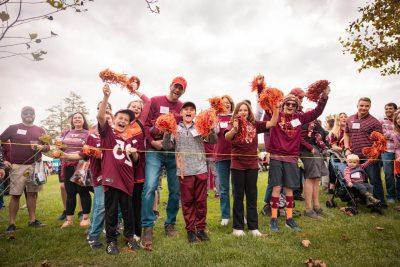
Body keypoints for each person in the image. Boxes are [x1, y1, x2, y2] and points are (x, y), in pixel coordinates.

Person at [268, 87, 330, 232]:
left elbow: (317, 112)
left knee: (289, 189)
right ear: (283, 105)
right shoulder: (276, 115)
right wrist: (259, 88)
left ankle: (289, 219)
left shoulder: (299, 118)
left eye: (293, 105)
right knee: (276, 188)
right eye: (287, 104)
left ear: (297, 107)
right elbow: (265, 103)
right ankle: (274, 219)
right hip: (276, 157)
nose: (290, 106)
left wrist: (324, 96)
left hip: (291, 158)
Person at [141, 77, 187, 251]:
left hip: (173, 152)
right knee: (150, 187)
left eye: (180, 88)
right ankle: (147, 226)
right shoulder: (155, 101)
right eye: (175, 86)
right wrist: (152, 142)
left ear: (183, 91)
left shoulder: (182, 107)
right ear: (170, 86)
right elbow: (144, 125)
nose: (177, 90)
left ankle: (170, 224)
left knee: (175, 190)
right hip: (155, 151)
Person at [163, 101, 217, 243]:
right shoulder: (175, 127)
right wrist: (167, 132)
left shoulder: (200, 125)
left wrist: (210, 128)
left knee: (201, 201)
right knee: (187, 202)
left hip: (200, 169)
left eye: (192, 110)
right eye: (185, 109)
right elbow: (167, 146)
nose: (188, 111)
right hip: (183, 171)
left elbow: (213, 141)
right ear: (181, 113)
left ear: (195, 113)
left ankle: (201, 229)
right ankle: (191, 231)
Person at [225, 101, 278, 237]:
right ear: (236, 112)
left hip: (252, 165)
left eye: (245, 110)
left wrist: (276, 108)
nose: (243, 112)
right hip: (237, 165)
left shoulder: (254, 124)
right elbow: (227, 137)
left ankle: (253, 227)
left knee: (252, 195)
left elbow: (272, 123)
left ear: (249, 112)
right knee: (238, 196)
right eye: (240, 110)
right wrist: (234, 129)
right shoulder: (233, 124)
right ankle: (238, 228)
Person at [97, 84, 139, 254]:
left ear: (129, 124)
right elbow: (100, 117)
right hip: (112, 179)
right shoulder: (108, 134)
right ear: (114, 120)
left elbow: (135, 160)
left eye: (126, 120)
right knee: (112, 211)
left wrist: (134, 153)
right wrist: (106, 97)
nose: (123, 121)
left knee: (128, 212)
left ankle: (129, 238)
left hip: (127, 179)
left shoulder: (131, 139)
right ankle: (111, 241)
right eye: (120, 118)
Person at [0, 106, 49, 235]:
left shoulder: (40, 130)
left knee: (32, 194)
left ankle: (32, 220)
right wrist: (4, 159)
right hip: (18, 166)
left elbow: (48, 146)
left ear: (34, 115)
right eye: (25, 113)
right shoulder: (13, 128)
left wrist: (41, 147)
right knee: (15, 195)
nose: (28, 115)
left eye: (31, 113)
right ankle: (12, 224)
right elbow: (1, 141)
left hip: (35, 166)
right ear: (21, 115)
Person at [344, 97, 386, 206]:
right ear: (357, 105)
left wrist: (374, 153)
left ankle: (380, 204)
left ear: (370, 107)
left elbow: (380, 140)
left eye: (367, 106)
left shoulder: (374, 122)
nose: (364, 108)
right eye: (362, 105)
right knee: (359, 180)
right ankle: (366, 201)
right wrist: (347, 148)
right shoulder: (350, 119)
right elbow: (346, 134)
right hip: (355, 157)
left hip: (370, 157)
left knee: (374, 180)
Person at [86, 101, 113, 249]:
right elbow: (85, 154)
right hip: (99, 175)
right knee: (101, 205)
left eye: (110, 119)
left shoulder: (115, 135)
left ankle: (93, 230)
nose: (107, 121)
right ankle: (93, 235)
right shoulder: (92, 136)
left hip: (113, 175)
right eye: (105, 119)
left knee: (103, 205)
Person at [59, 112, 91, 228]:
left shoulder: (88, 134)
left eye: (79, 117)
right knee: (70, 192)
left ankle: (86, 218)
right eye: (75, 117)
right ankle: (69, 220)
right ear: (72, 121)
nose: (77, 119)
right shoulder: (66, 133)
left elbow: (89, 151)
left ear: (83, 120)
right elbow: (60, 146)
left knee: (83, 192)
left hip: (81, 165)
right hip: (67, 165)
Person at [300, 117, 329, 219]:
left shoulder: (316, 123)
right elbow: (299, 137)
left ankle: (316, 206)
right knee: (310, 177)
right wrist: (310, 147)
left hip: (316, 149)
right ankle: (308, 209)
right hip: (306, 150)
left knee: (317, 178)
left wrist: (323, 148)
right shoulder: (301, 120)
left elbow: (323, 134)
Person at [215, 95, 234, 226]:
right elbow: (214, 133)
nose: (226, 104)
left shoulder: (235, 117)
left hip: (236, 156)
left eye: (228, 102)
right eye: (223, 102)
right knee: (223, 188)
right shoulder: (215, 117)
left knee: (238, 187)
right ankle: (225, 215)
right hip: (221, 156)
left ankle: (239, 214)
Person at [380, 103, 399, 204]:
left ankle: (398, 194)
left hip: (398, 151)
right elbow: (384, 134)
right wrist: (396, 135)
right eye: (386, 108)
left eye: (390, 108)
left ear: (395, 110)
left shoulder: (398, 119)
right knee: (388, 174)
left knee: (399, 174)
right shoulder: (382, 121)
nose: (388, 110)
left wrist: (392, 134)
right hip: (387, 151)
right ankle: (391, 195)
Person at [327, 113, 347, 193]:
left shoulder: (350, 130)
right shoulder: (334, 132)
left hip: (349, 155)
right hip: (337, 154)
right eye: (341, 117)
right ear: (338, 120)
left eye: (345, 117)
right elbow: (333, 146)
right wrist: (344, 149)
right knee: (334, 171)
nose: (344, 118)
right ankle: (332, 188)